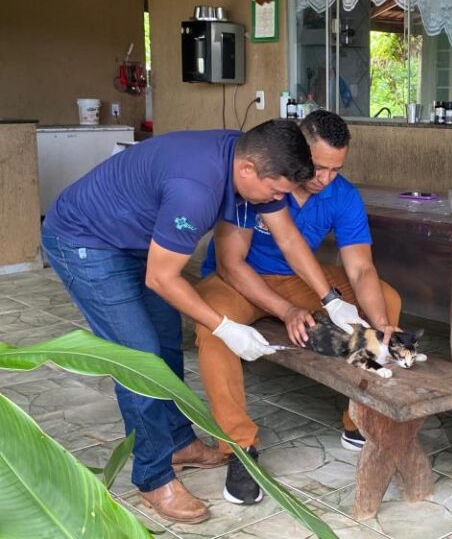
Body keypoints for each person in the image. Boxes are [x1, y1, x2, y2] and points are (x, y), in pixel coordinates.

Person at [40, 119, 368, 524]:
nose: (278, 202)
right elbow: (162, 277)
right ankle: (154, 476)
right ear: (248, 171)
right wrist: (226, 327)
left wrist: (331, 300)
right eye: (276, 193)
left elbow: (287, 237)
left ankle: (178, 442)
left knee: (164, 345)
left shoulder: (251, 158)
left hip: (137, 241)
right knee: (139, 357)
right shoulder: (196, 189)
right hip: (85, 242)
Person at [194, 110, 401, 506]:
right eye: (318, 167)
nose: (324, 178)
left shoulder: (342, 195)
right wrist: (285, 310)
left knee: (385, 299)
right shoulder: (263, 182)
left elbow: (360, 268)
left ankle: (358, 421)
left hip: (299, 280)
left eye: (335, 169)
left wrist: (382, 325)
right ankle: (239, 446)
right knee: (214, 330)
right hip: (237, 280)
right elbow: (229, 263)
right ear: (297, 152)